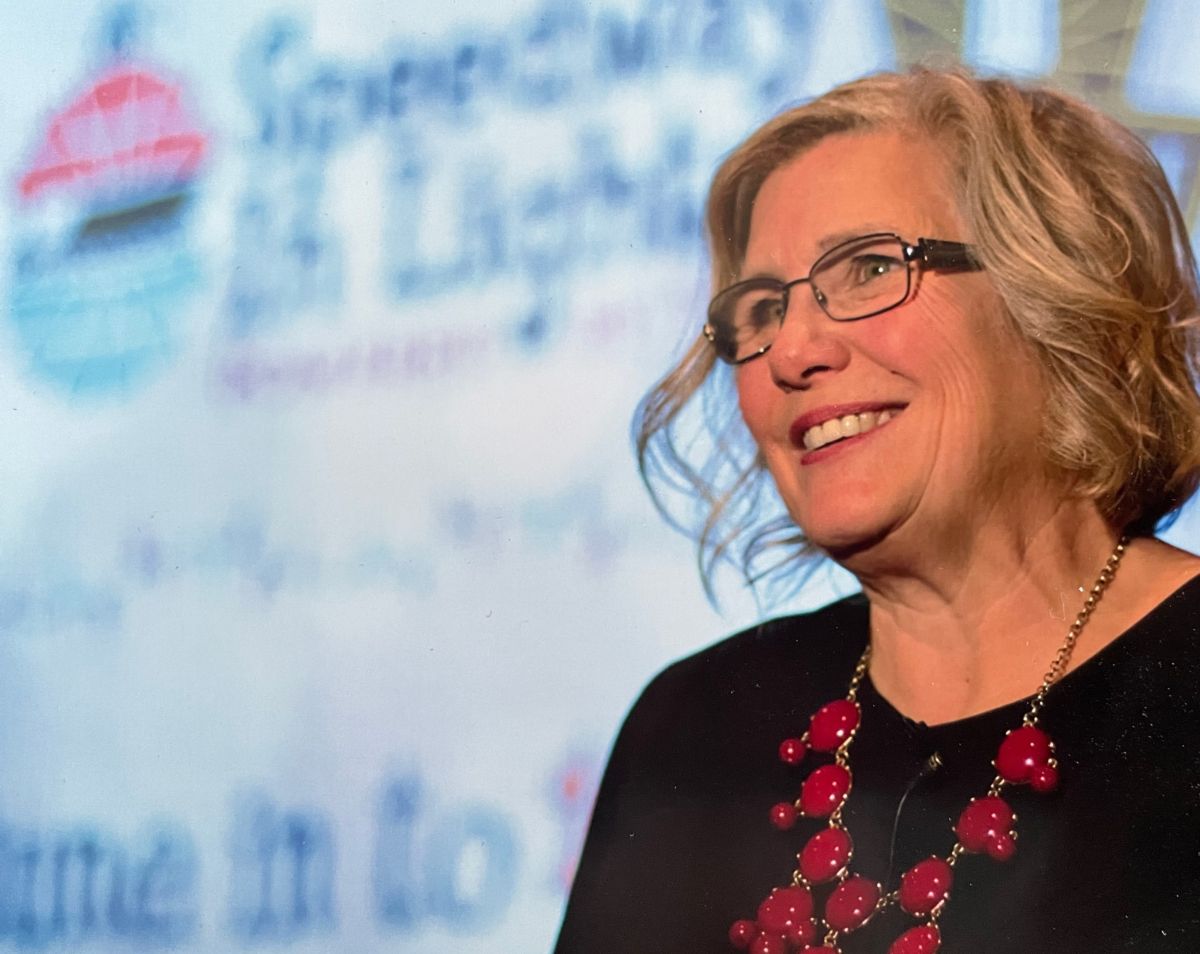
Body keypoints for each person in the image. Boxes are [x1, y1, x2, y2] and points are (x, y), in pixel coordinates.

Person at [553, 67, 1200, 954]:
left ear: (1054, 296)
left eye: (868, 268)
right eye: (762, 308)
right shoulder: (694, 733)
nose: (793, 350)